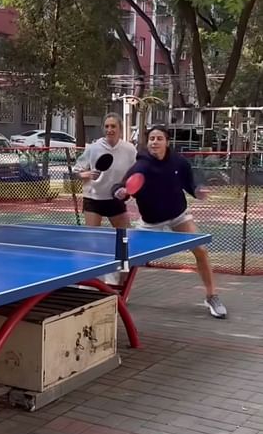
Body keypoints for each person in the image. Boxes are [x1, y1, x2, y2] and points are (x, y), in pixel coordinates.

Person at [113, 124, 227, 319]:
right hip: (150, 222)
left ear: (167, 141)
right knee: (128, 257)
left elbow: (189, 184)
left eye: (159, 138)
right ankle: (118, 295)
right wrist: (120, 192)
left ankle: (212, 296)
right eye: (151, 139)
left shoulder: (178, 162)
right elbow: (122, 187)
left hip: (178, 215)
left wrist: (197, 191)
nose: (154, 142)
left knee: (201, 250)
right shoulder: (141, 166)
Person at [73, 114, 136, 229]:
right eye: (106, 126)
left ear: (120, 129)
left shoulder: (130, 149)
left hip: (116, 199)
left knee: (126, 238)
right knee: (92, 239)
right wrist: (85, 174)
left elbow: (135, 173)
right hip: (93, 199)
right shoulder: (93, 148)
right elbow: (75, 173)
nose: (109, 130)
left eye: (113, 126)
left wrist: (127, 190)